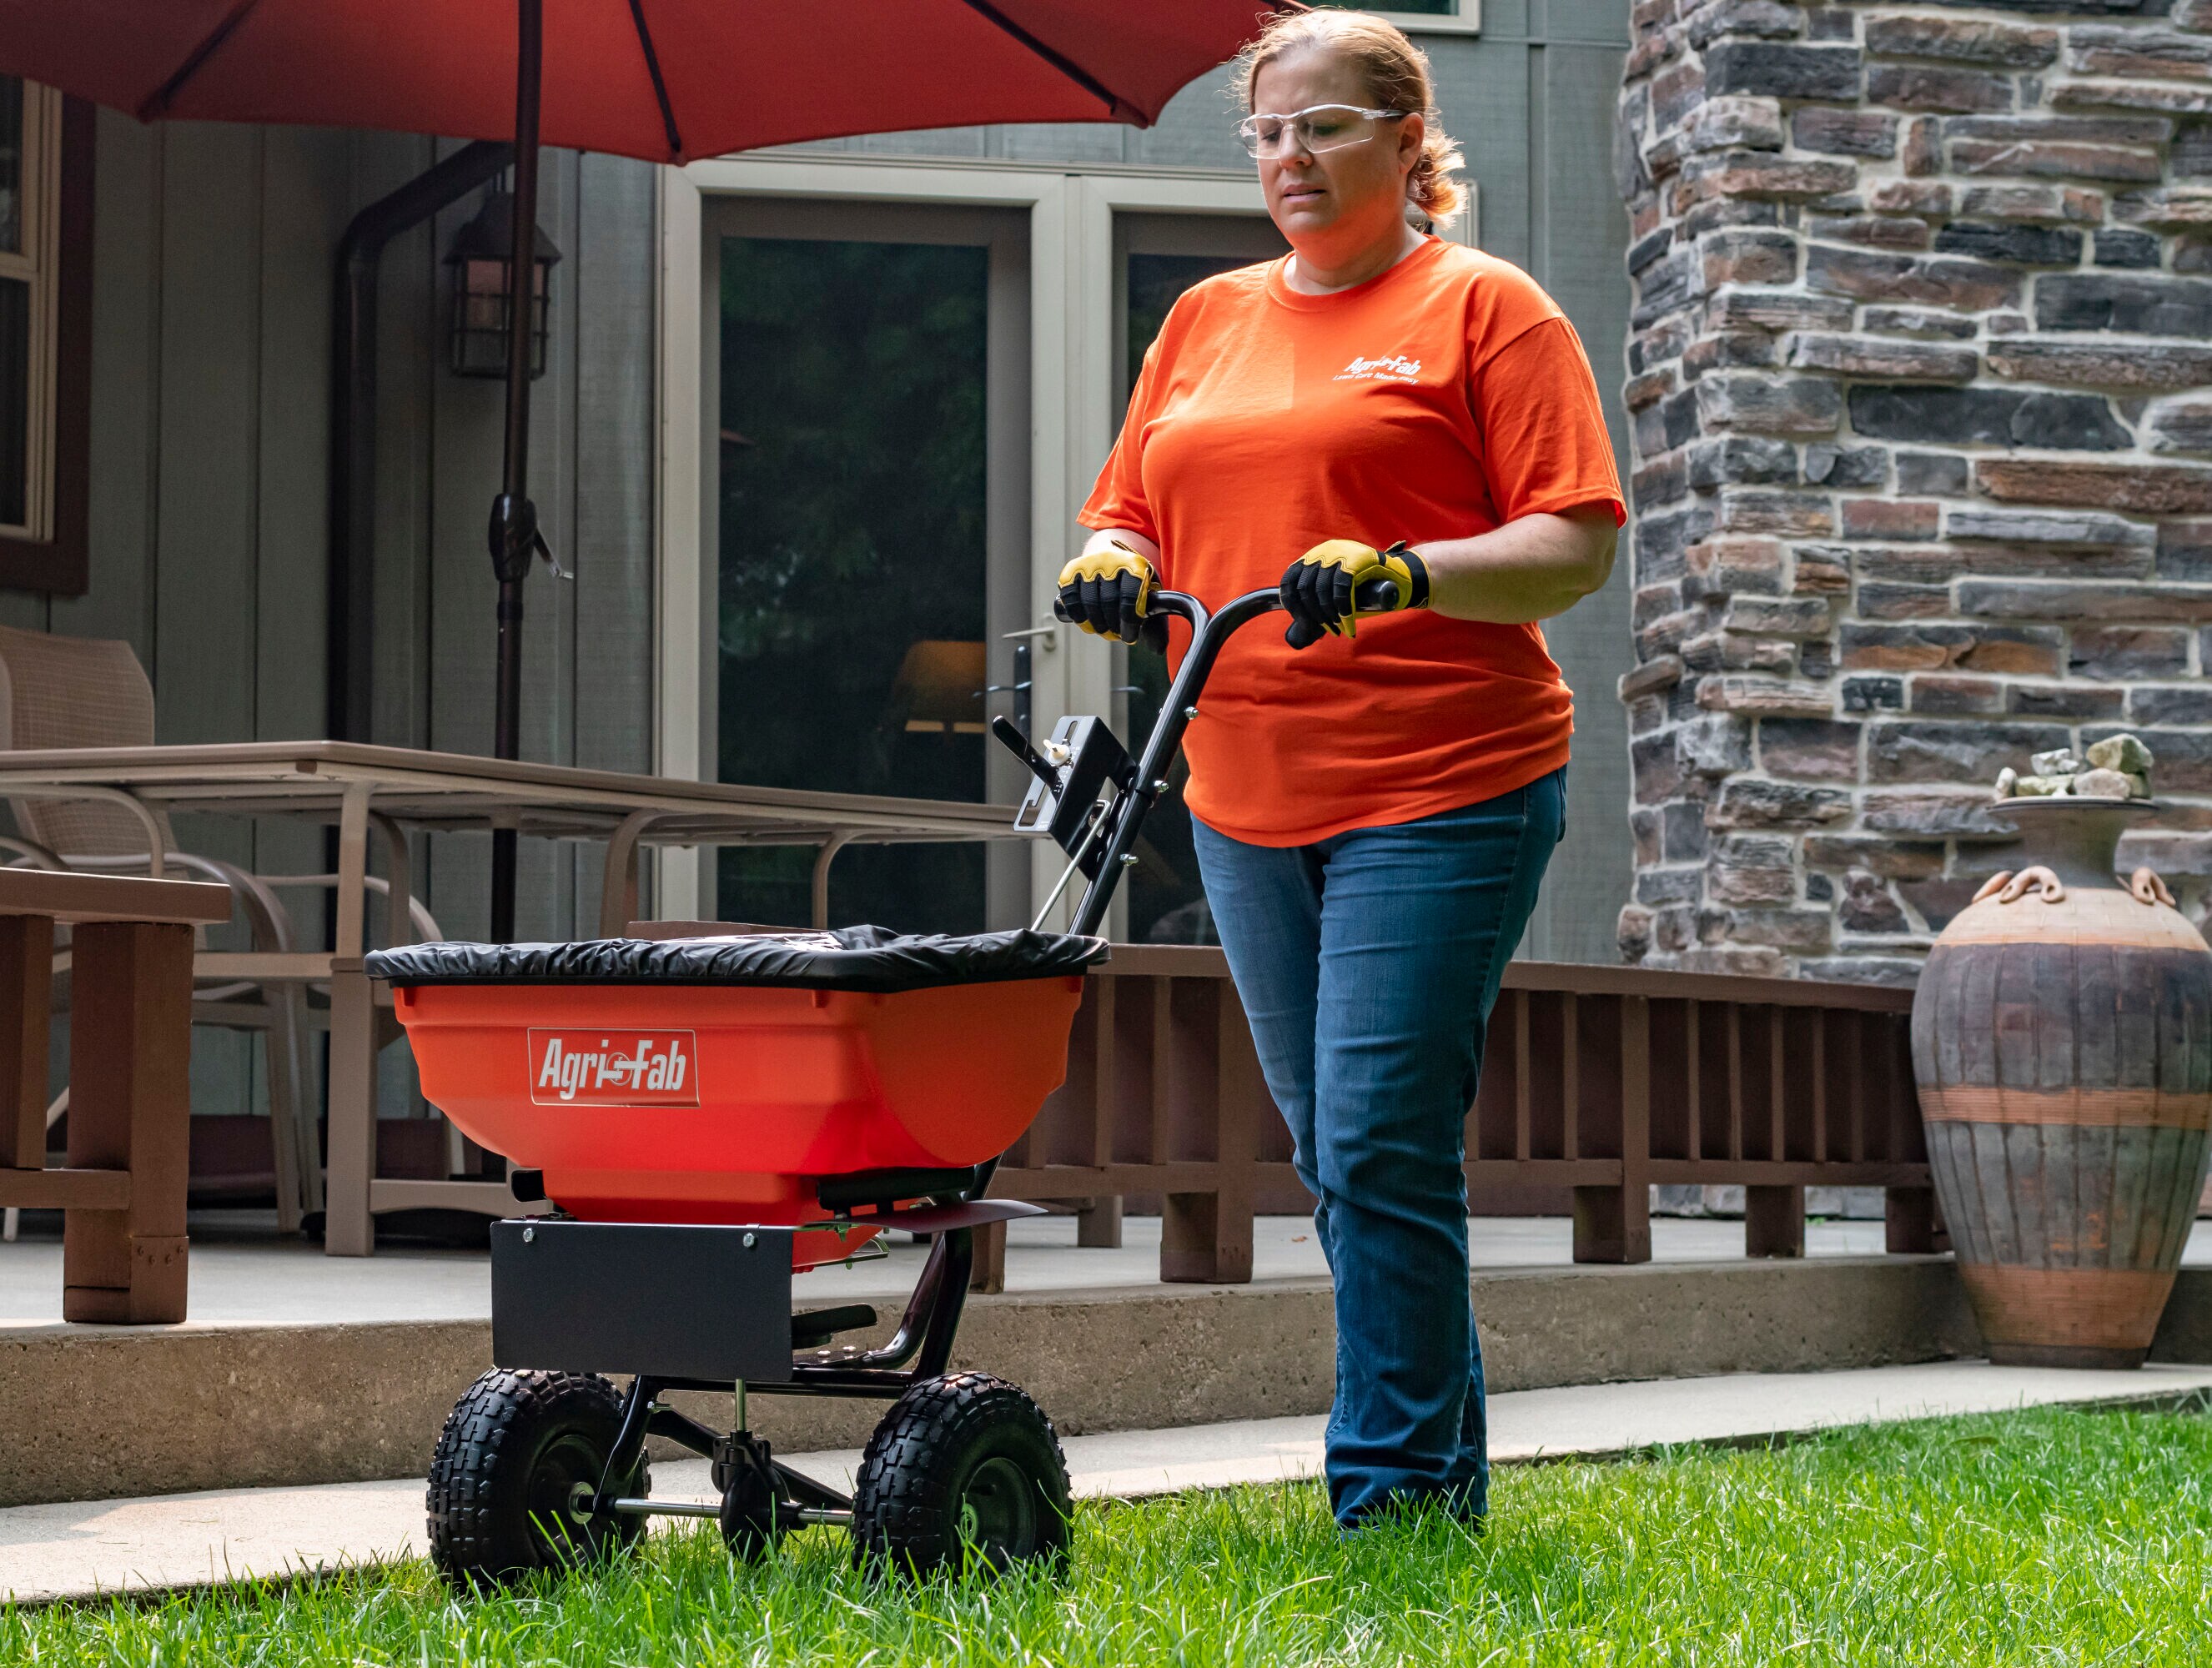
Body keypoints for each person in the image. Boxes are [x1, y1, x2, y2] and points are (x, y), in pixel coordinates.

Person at [1058, 8, 1623, 1530]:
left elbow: (1571, 539)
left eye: (1320, 126)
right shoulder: (1205, 320)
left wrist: (1405, 574)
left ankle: (1381, 1500)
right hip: (1242, 789)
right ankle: (1442, 1484)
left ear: (1403, 136)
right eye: (1266, 132)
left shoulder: (1486, 309)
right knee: (1347, 1154)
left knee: (1375, 1138)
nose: (1288, 158)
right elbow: (1133, 507)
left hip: (1448, 782)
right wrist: (1113, 559)